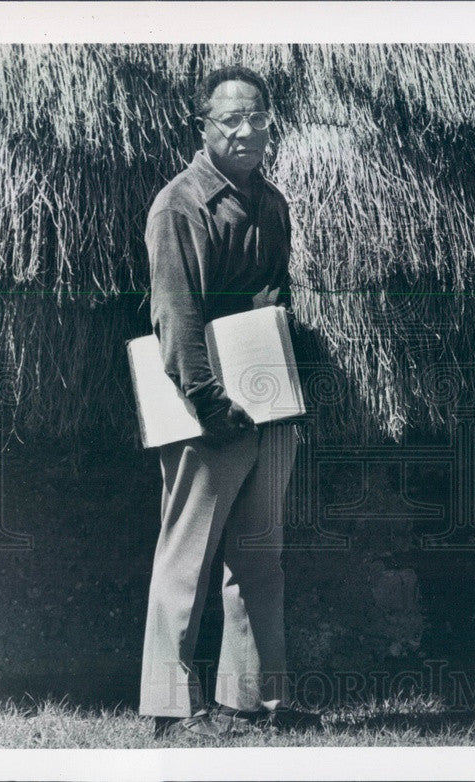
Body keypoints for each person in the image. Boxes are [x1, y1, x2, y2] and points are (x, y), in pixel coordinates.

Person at [139, 65, 320, 739]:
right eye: (231, 120)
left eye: (258, 119)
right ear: (203, 128)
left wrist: (280, 389)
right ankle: (167, 710)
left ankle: (254, 703)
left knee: (258, 559)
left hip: (267, 406)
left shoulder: (271, 204)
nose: (247, 131)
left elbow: (273, 303)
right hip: (204, 408)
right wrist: (208, 403)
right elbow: (176, 314)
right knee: (185, 560)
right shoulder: (180, 205)